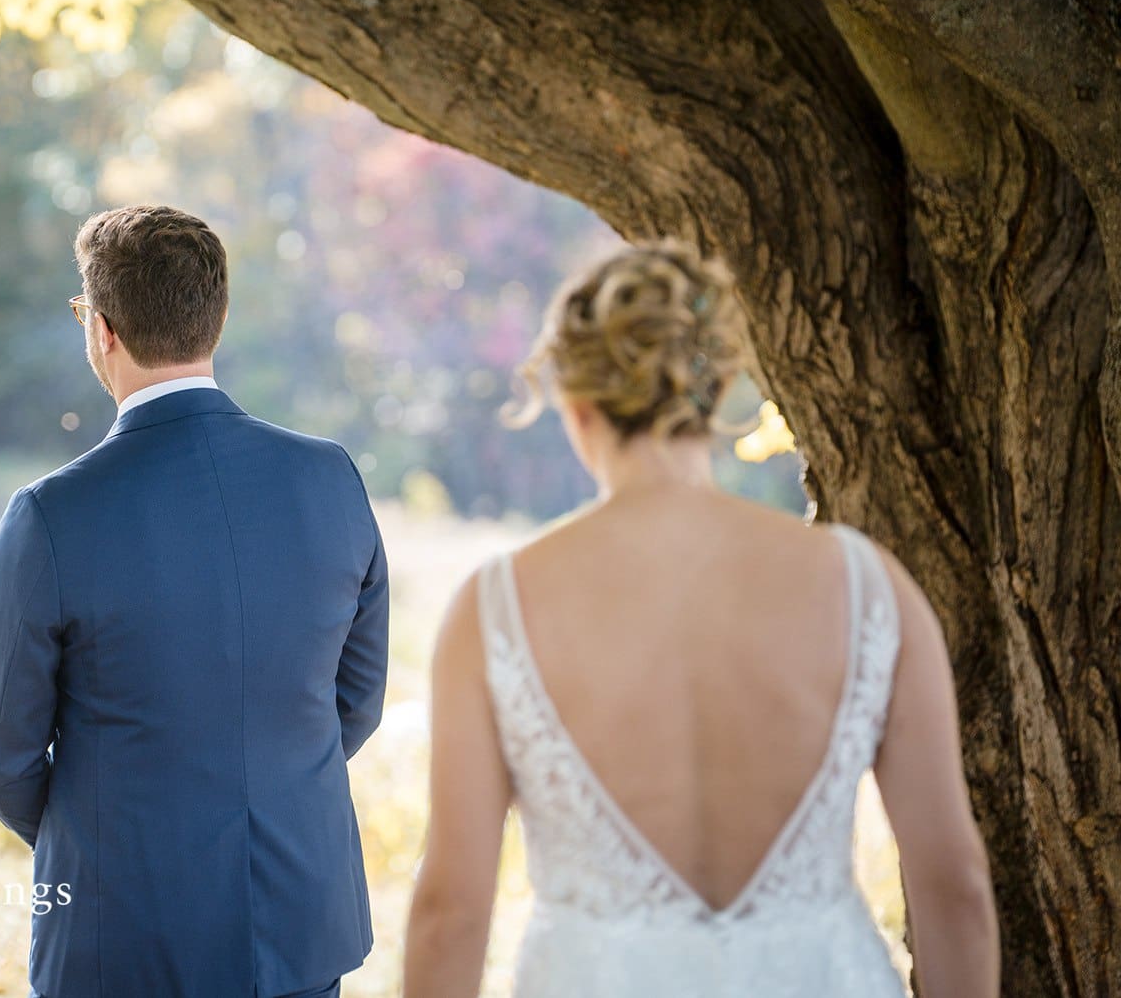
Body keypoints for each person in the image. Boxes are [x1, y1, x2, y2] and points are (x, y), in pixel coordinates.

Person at [402, 238, 998, 996]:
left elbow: (451, 909)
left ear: (576, 408)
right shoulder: (865, 584)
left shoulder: (494, 608)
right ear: (714, 393)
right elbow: (956, 885)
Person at [0, 204, 389, 998]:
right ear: (214, 321)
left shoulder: (52, 515)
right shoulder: (331, 479)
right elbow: (355, 703)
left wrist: (103, 830)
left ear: (103, 330)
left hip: (121, 930)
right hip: (298, 923)